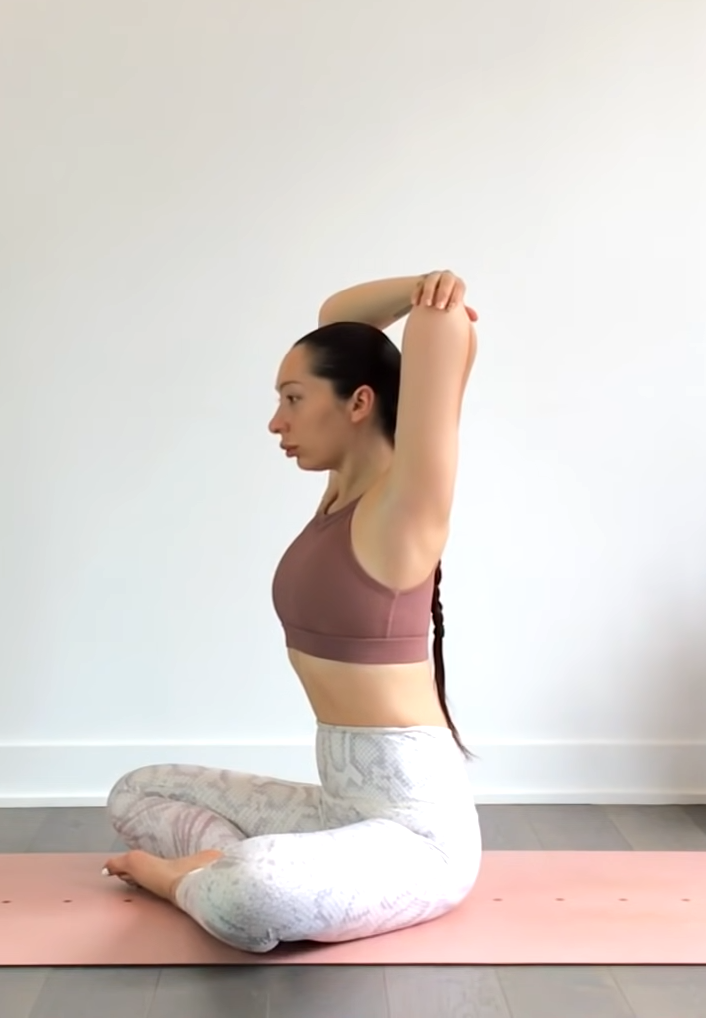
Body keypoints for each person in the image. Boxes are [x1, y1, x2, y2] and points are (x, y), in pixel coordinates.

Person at [102, 269, 481, 953]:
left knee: (260, 890)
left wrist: (436, 302)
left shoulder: (404, 509)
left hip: (418, 837)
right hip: (339, 810)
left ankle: (188, 882)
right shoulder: (340, 492)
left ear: (359, 402)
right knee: (136, 793)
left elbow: (442, 333)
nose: (277, 421)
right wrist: (414, 282)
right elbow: (338, 316)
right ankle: (219, 868)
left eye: (294, 398)